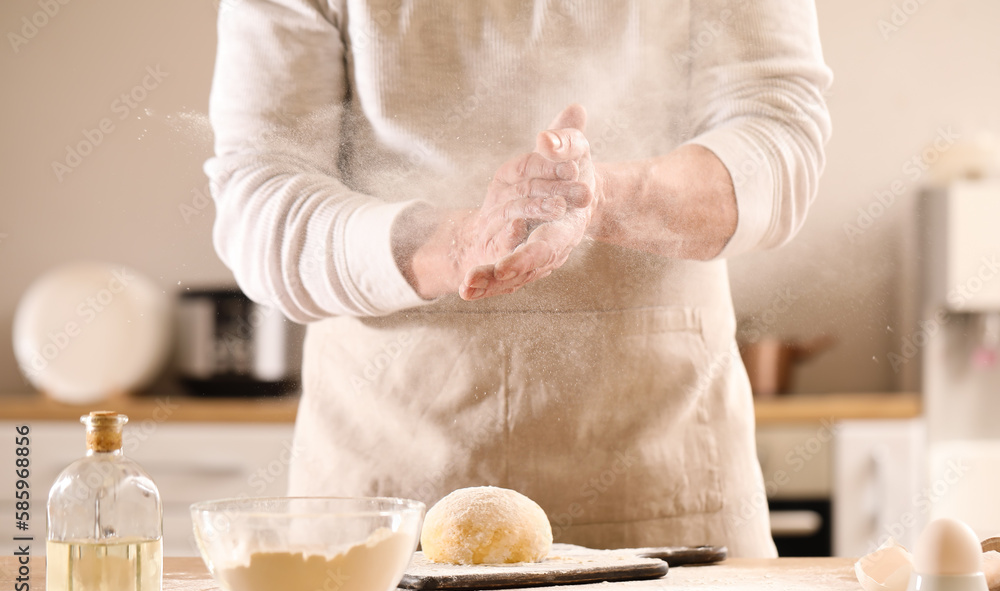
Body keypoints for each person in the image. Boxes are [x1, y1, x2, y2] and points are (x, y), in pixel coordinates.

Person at [207, 0, 832, 557]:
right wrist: (461, 243)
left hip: (663, 484)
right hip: (385, 504)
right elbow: (261, 199)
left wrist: (600, 198)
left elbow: (779, 140)